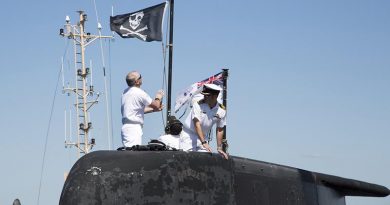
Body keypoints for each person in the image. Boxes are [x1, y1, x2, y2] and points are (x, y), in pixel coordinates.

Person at [181, 84, 228, 159]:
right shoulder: (198, 104)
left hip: (203, 137)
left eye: (207, 95)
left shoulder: (221, 110)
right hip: (189, 136)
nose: (204, 97)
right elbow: (197, 124)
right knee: (187, 158)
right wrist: (203, 142)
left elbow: (220, 129)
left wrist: (219, 147)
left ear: (214, 96)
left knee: (206, 158)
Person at [121, 71, 164, 147]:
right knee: (132, 154)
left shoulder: (125, 92)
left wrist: (153, 110)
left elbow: (137, 110)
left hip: (127, 127)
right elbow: (156, 105)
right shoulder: (139, 92)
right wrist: (158, 96)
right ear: (137, 81)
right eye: (140, 77)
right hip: (133, 128)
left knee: (131, 152)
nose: (142, 78)